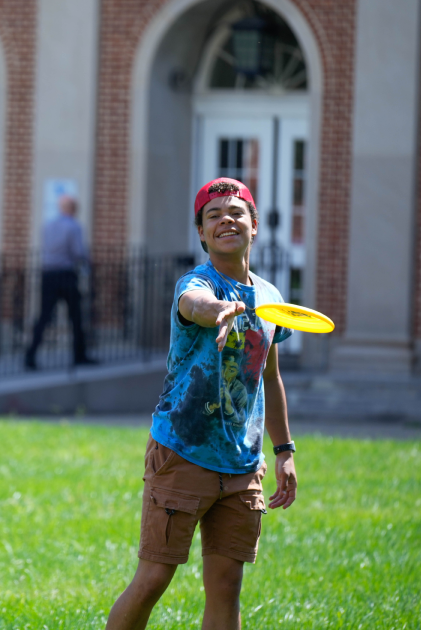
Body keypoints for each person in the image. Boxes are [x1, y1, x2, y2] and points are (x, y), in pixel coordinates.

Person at [104, 178, 298, 630]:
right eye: (214, 216)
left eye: (236, 212)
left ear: (254, 225)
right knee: (154, 577)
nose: (226, 220)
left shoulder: (269, 298)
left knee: (227, 585)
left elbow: (270, 376)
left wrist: (285, 452)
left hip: (242, 463)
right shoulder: (196, 283)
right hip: (183, 452)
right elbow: (194, 304)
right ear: (202, 233)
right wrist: (218, 311)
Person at [25, 195, 98, 370]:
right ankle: (79, 355)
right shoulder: (73, 226)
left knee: (44, 316)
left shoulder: (48, 226)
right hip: (66, 274)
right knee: (76, 316)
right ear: (72, 209)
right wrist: (88, 263)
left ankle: (30, 356)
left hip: (48, 274)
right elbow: (78, 252)